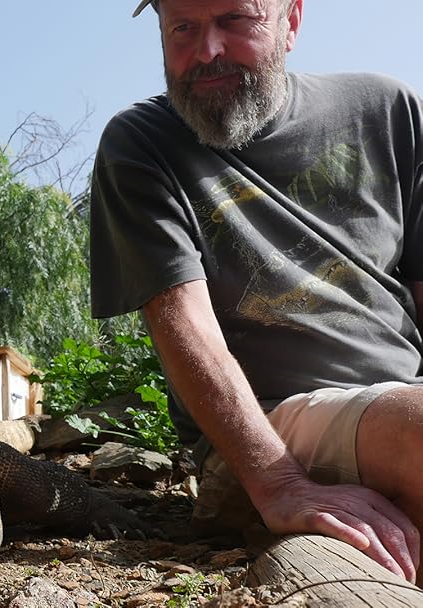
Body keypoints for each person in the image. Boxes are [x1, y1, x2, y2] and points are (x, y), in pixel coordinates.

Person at [89, 0, 423, 583]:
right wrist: (280, 484)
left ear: (291, 19)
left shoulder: (390, 110)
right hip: (261, 434)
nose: (206, 50)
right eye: (182, 29)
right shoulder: (141, 145)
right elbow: (184, 329)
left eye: (234, 21)